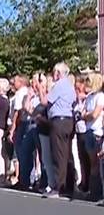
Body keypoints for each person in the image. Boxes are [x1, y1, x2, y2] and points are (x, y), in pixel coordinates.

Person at [39, 62, 76, 199]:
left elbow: (45, 101)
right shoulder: (69, 86)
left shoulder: (60, 85)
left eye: (55, 72)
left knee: (59, 154)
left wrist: (40, 89)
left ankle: (59, 187)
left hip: (59, 121)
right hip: (67, 120)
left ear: (58, 73)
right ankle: (68, 186)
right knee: (66, 154)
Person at [82, 73, 104, 201]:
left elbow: (95, 115)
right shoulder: (90, 97)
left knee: (98, 162)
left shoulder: (100, 97)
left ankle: (98, 190)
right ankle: (94, 190)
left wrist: (87, 115)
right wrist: (87, 115)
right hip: (88, 130)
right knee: (92, 163)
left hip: (97, 131)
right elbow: (84, 112)